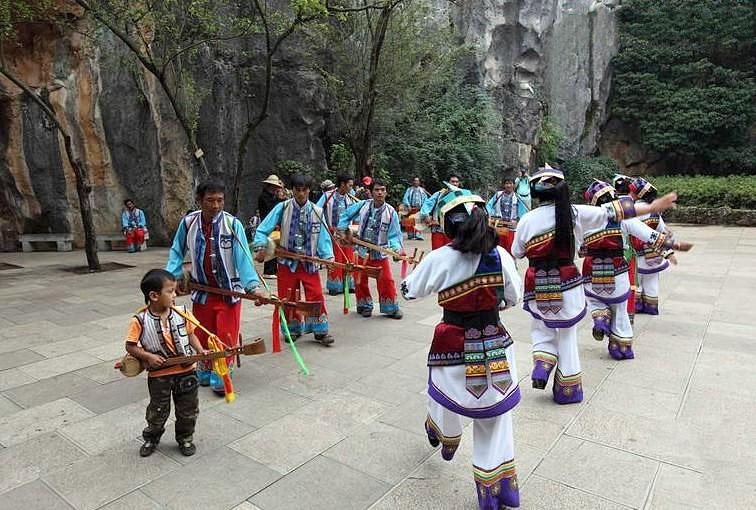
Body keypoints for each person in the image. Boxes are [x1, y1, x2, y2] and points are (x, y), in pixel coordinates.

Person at [511, 165, 679, 404]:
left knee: (541, 326)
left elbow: (516, 252)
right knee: (567, 335)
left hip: (537, 282)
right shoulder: (576, 213)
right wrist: (652, 207)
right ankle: (568, 389)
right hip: (568, 280)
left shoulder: (527, 219)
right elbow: (615, 212)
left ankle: (542, 362)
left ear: (536, 193)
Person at [400, 189, 522, 510]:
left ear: (450, 227)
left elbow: (410, 291)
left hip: (453, 345)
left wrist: (408, 277)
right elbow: (514, 298)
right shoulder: (501, 257)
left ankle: (444, 434)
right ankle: (497, 492)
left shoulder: (440, 258)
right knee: (495, 418)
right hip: (495, 345)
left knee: (440, 391)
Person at [165, 178, 262, 396]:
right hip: (203, 291)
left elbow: (243, 258)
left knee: (225, 334)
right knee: (202, 331)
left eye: (220, 200)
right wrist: (172, 279)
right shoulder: (189, 223)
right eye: (210, 200)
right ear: (199, 200)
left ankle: (221, 370)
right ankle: (206, 366)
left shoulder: (232, 224)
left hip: (229, 292)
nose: (216, 206)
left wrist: (252, 286)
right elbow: (176, 250)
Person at [581, 180, 692, 360]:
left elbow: (579, 249)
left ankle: (600, 318)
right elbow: (650, 235)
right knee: (620, 308)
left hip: (592, 270)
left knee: (593, 298)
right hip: (617, 270)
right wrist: (674, 246)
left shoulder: (585, 221)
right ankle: (621, 348)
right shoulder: (624, 218)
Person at [126, 269, 209, 458]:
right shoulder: (140, 320)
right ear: (154, 296)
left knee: (188, 409)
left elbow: (191, 334)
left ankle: (185, 438)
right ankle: (152, 438)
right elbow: (130, 346)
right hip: (159, 375)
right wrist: (147, 356)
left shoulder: (183, 313)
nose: (175, 295)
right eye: (170, 291)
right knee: (157, 410)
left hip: (187, 371)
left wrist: (200, 351)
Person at [253, 175, 335, 345]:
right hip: (286, 262)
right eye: (297, 190)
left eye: (304, 190)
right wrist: (261, 246)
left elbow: (323, 238)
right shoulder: (282, 208)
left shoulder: (317, 212)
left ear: (309, 191)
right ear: (292, 191)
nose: (300, 193)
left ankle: (320, 330)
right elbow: (262, 229)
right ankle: (293, 329)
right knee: (288, 297)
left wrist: (328, 258)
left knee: (316, 294)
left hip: (308, 262)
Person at [338, 178, 403, 319]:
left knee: (386, 280)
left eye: (382, 190)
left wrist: (397, 250)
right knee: (360, 279)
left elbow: (394, 235)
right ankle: (364, 305)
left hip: (379, 253)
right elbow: (345, 215)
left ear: (386, 192)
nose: (380, 193)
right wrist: (343, 230)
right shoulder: (363, 205)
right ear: (370, 192)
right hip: (361, 251)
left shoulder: (391, 212)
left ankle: (390, 307)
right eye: (377, 190)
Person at [628, 177, 675, 315]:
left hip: (638, 251)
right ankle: (651, 307)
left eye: (632, 192)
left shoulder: (634, 209)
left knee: (637, 280)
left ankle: (636, 305)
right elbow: (663, 229)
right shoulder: (655, 210)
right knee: (652, 280)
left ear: (637, 194)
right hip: (654, 251)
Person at [316, 174, 360, 296]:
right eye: (350, 185)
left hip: (347, 233)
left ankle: (348, 284)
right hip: (332, 232)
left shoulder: (350, 198)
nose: (351, 188)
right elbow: (316, 210)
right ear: (342, 184)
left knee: (348, 257)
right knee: (335, 257)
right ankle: (334, 285)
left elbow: (357, 215)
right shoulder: (327, 196)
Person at [612, 174, 638, 322]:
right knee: (630, 281)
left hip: (613, 249)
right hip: (628, 249)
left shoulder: (610, 205)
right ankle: (629, 312)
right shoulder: (630, 205)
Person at [418, 175, 461, 250]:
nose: (455, 184)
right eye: (453, 181)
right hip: (438, 229)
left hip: (454, 231)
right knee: (437, 253)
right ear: (448, 183)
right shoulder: (439, 194)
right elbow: (428, 204)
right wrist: (425, 215)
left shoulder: (462, 195)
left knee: (452, 254)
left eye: (456, 182)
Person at [258, 175, 285, 278]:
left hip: (274, 224)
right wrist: (279, 199)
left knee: (274, 246)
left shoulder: (272, 196)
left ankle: (273, 270)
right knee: (270, 246)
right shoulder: (264, 196)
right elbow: (271, 209)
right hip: (267, 223)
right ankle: (269, 271)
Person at [486, 177, 519, 254]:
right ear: (504, 185)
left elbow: (522, 212)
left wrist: (518, 220)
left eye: (510, 183)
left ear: (514, 185)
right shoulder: (498, 195)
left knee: (510, 248)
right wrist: (491, 215)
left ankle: (512, 264)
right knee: (499, 247)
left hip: (511, 227)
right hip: (499, 226)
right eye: (507, 183)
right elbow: (489, 206)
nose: (509, 185)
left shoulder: (517, 197)